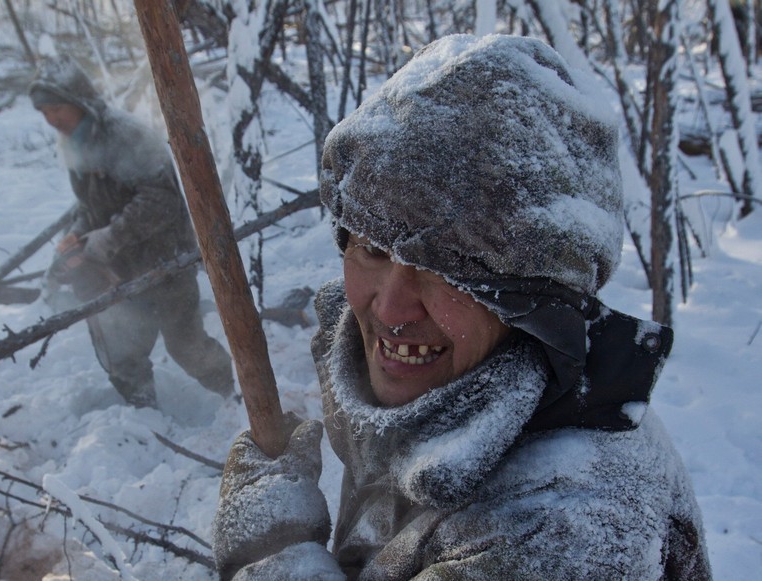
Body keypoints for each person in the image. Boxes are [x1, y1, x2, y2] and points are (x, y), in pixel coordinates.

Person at [212, 35, 711, 579]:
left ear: (533, 305)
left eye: (447, 273)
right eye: (374, 249)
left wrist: (271, 557)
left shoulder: (560, 528)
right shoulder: (443, 390)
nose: (393, 308)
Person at [29, 56, 234, 408]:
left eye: (57, 108)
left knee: (186, 344)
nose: (51, 119)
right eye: (44, 111)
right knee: (121, 345)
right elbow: (91, 206)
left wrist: (107, 239)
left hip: (165, 260)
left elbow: (162, 201)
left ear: (80, 101)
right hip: (121, 270)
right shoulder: (77, 141)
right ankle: (143, 414)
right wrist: (78, 236)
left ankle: (239, 398)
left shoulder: (125, 136)